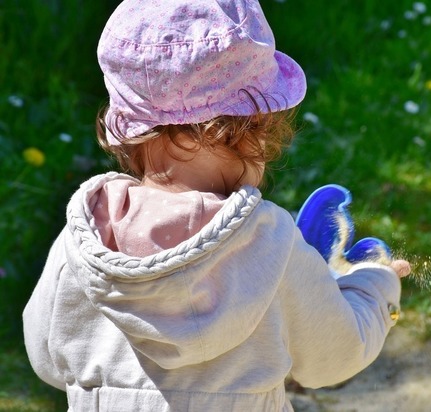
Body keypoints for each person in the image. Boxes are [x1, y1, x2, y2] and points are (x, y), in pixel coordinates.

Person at [23, 0, 411, 410]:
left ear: (126, 126)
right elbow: (333, 356)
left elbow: (46, 355)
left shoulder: (85, 236)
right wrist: (374, 286)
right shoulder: (270, 244)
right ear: (255, 129)